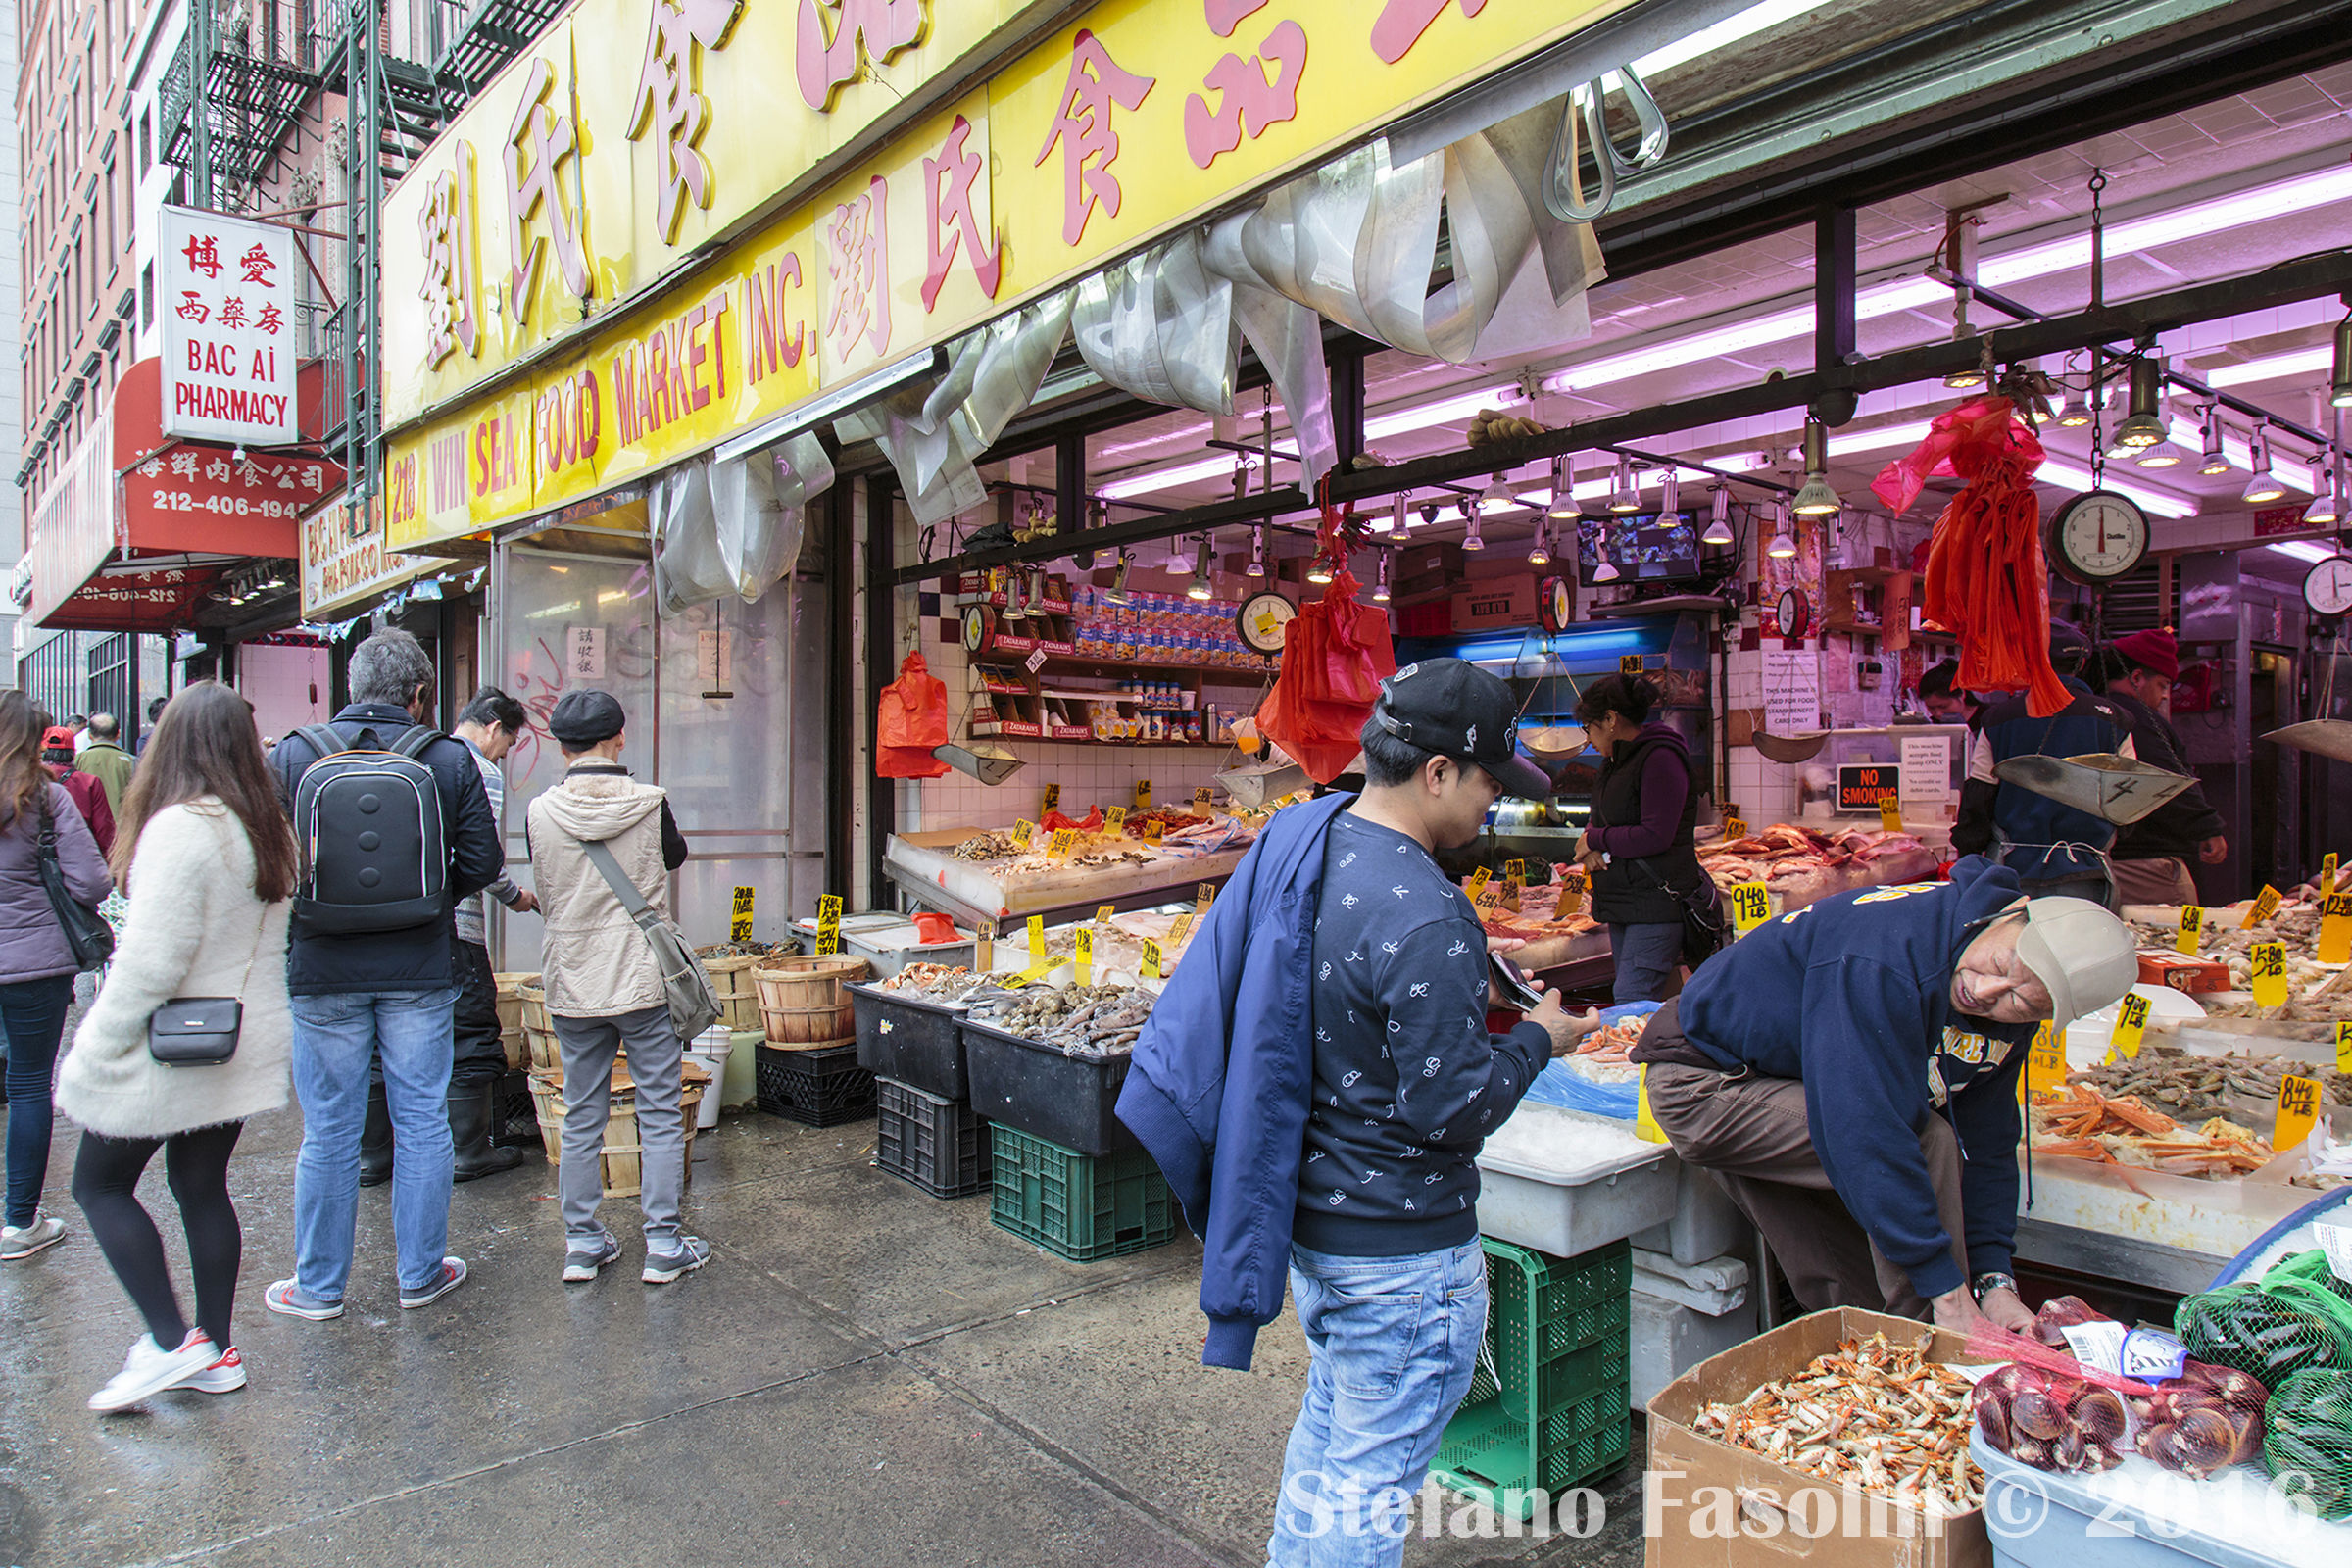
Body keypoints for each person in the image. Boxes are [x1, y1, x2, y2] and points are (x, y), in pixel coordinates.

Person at [1118, 659, 1597, 1565]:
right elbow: (1456, 1109)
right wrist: (1538, 1037)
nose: (1495, 803)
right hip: (1404, 1264)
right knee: (1367, 1496)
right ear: (1440, 772)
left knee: (1329, 1457)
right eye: (1492, 780)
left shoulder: (1304, 836)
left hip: (1320, 1240)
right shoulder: (1426, 912)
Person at [1630, 858, 2137, 1331]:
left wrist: (1993, 1281)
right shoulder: (1886, 953)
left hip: (1790, 1081)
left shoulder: (2010, 1013)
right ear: (2012, 913)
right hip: (1702, 1084)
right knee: (1923, 1141)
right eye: (2000, 966)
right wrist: (1948, 1294)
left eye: (2020, 1001)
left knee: (1862, 1295)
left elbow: (1987, 1141)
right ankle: (1942, 1354)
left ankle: (1882, 1360)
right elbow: (1865, 1130)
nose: (1986, 992)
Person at [58, 682, 296, 1411]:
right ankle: (215, 1346)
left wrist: (95, 1040)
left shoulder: (180, 827)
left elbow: (151, 961)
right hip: (241, 1036)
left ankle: (171, 1340)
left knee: (96, 1185)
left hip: (172, 1041)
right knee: (200, 1187)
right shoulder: (268, 829)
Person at [262, 629, 502, 1320]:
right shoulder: (449, 759)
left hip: (320, 966)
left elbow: (270, 865)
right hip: (420, 965)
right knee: (422, 1117)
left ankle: (318, 1289)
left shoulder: (295, 755)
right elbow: (483, 868)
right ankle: (421, 1275)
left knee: (329, 1127)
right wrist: (425, 900)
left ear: (350, 687)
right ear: (422, 695)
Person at [524, 689, 700, 1285]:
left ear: (559, 744)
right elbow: (673, 858)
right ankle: (663, 1244)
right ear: (618, 738)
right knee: (657, 1109)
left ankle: (581, 1244)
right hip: (643, 979)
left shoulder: (539, 812)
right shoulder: (652, 804)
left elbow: (547, 886)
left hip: (573, 978)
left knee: (581, 1112)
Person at [0, 692, 115, 1260]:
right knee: (27, 1087)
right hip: (33, 965)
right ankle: (20, 1222)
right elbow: (94, 884)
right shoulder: (45, 800)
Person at [1952, 622, 2136, 906]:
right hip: (2087, 871)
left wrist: (1967, 855)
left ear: (2031, 661)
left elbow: (1979, 797)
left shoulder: (1999, 719)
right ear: (2083, 662)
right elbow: (2129, 800)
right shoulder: (2114, 719)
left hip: (2013, 871)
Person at [446, 687, 539, 1180]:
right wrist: (516, 897)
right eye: (508, 741)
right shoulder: (479, 770)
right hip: (458, 925)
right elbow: (482, 858)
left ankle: (378, 1155)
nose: (505, 752)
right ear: (492, 726)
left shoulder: (424, 759)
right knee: (473, 1031)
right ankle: (469, 1152)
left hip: (411, 927)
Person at [1572, 673, 1709, 1003]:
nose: (1588, 738)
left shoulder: (1661, 758)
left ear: (1610, 719)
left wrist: (1596, 840)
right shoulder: (1614, 761)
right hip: (1623, 903)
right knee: (1640, 1000)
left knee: (1631, 999)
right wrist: (1592, 838)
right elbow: (1601, 819)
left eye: (1589, 726)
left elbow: (1656, 834)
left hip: (1657, 905)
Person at [2094, 630, 2227, 906]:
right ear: (2138, 678)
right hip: (2147, 863)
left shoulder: (2092, 711)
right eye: (2163, 685)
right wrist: (2206, 827)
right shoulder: (2136, 718)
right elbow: (2164, 780)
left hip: (2106, 858)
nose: (2165, 696)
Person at [40, 724, 116, 858]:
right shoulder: (90, 782)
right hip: (78, 854)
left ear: (44, 752)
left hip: (36, 857)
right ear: (73, 753)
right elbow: (103, 829)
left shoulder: (29, 780)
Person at [77, 713, 134, 815]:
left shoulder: (78, 760)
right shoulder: (132, 762)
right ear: (118, 734)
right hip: (121, 825)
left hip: (88, 826)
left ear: (90, 735)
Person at [1918, 661, 1984, 730]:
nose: (1938, 714)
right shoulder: (1932, 725)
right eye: (1931, 708)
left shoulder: (1989, 720)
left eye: (1943, 706)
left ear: (1962, 694)